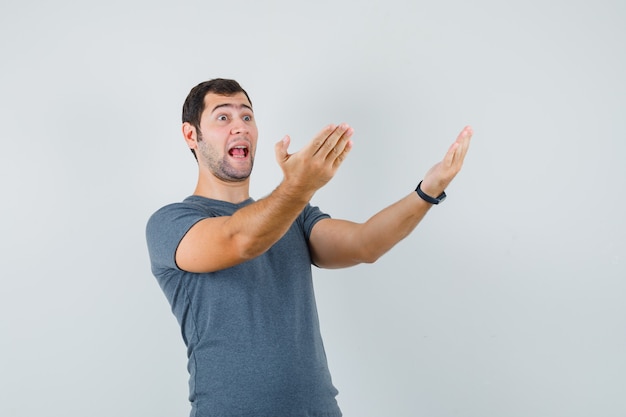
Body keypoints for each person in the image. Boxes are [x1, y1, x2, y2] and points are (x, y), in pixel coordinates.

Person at [146, 78, 472, 417]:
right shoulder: (171, 223)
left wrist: (427, 191)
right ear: (190, 135)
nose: (240, 128)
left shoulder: (295, 216)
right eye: (223, 118)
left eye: (247, 117)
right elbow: (240, 241)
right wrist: (298, 186)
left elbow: (365, 244)